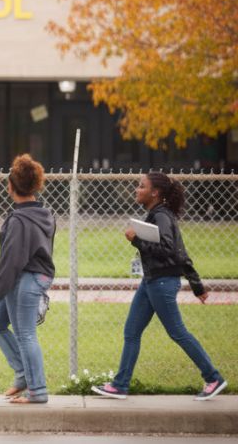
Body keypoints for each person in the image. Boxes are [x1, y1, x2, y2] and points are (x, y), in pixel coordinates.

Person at [92, 172, 227, 401]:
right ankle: (120, 385)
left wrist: (136, 240)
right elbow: (181, 254)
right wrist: (197, 286)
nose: (136, 189)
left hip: (162, 283)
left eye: (141, 186)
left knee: (177, 332)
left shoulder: (162, 217)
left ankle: (213, 378)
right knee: (131, 332)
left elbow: (170, 251)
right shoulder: (158, 215)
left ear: (155, 192)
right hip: (151, 282)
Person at [0, 154, 56, 405]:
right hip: (32, 276)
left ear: (10, 187)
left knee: (25, 334)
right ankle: (24, 374)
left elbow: (11, 262)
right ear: (36, 185)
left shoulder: (18, 220)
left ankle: (38, 391)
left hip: (28, 278)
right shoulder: (45, 213)